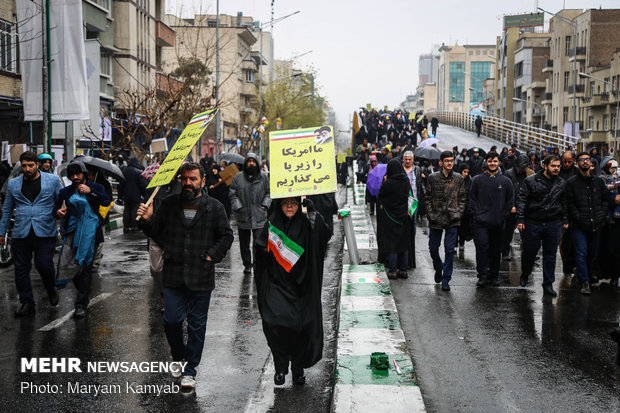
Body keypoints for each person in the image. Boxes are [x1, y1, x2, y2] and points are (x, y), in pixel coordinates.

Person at [137, 162, 234, 389]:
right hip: (173, 275)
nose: (188, 183)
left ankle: (190, 369)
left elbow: (226, 236)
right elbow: (157, 235)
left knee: (197, 326)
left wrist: (211, 256)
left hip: (201, 275)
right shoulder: (169, 204)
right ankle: (178, 356)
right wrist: (148, 219)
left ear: (202, 181)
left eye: (192, 179)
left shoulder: (215, 207)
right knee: (171, 320)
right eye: (184, 179)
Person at [254, 197, 330, 386]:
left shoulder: (307, 223)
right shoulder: (271, 225)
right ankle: (280, 367)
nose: (289, 206)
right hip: (276, 285)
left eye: (294, 203)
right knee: (275, 324)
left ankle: (297, 368)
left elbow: (325, 235)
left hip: (301, 287)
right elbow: (259, 247)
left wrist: (313, 214)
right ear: (279, 205)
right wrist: (267, 248)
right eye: (285, 203)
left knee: (299, 329)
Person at [0, 151, 62, 316]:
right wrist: (2, 232)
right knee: (20, 269)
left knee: (44, 265)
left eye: (30, 166)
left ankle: (51, 288)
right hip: (21, 232)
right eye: (24, 166)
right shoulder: (13, 184)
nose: (27, 169)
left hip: (45, 231)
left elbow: (61, 202)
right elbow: (7, 209)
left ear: (37, 165)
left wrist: (63, 219)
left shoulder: (53, 181)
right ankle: (27, 303)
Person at [54, 161, 111, 317]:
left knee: (85, 268)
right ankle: (84, 294)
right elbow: (56, 209)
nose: (75, 177)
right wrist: (58, 212)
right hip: (71, 236)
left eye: (78, 174)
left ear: (84, 174)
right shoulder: (65, 192)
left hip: (91, 235)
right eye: (72, 175)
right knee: (73, 268)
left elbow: (106, 201)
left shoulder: (96, 188)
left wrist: (90, 191)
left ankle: (80, 304)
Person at [516, 156, 568, 296]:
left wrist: (564, 219)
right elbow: (522, 200)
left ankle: (548, 284)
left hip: (553, 223)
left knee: (550, 255)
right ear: (545, 166)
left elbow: (564, 203)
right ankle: (525, 273)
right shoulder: (530, 181)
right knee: (530, 252)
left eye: (558, 166)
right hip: (533, 222)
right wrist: (520, 219)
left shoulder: (561, 183)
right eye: (553, 166)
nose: (556, 168)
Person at [565, 152, 610, 295]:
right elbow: (570, 204)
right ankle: (584, 281)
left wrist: (601, 215)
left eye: (587, 160)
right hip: (579, 225)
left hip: (596, 224)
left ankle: (584, 273)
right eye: (582, 160)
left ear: (591, 163)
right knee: (581, 252)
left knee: (592, 252)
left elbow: (605, 200)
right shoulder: (571, 182)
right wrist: (578, 218)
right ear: (577, 163)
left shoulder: (599, 181)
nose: (585, 162)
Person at [469, 151, 514, 287]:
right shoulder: (477, 180)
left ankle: (494, 276)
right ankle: (482, 275)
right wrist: (477, 214)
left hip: (498, 222)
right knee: (482, 248)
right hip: (481, 222)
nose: (492, 164)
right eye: (490, 161)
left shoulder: (506, 181)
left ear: (499, 162)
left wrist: (503, 215)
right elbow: (472, 198)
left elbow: (510, 200)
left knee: (496, 250)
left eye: (495, 161)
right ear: (486, 162)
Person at [424, 151, 467, 291]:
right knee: (433, 249)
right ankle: (438, 267)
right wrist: (430, 215)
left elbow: (462, 198)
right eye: (447, 161)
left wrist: (458, 213)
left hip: (452, 218)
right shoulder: (432, 178)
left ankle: (446, 279)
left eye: (452, 161)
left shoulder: (459, 178)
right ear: (441, 162)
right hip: (436, 218)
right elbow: (427, 198)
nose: (450, 163)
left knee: (449, 250)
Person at [230, 153, 271, 275]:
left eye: (253, 161)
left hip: (259, 215)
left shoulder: (264, 177)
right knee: (244, 244)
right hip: (243, 216)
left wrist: (264, 205)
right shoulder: (238, 178)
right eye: (249, 161)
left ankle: (258, 263)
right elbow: (233, 194)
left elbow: (269, 193)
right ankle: (247, 264)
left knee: (258, 243)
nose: (251, 163)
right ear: (246, 163)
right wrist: (238, 207)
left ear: (257, 163)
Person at [378, 159, 411, 279]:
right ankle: (403, 270)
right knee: (403, 244)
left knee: (392, 245)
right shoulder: (406, 180)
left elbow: (381, 196)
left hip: (390, 218)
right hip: (403, 216)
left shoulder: (388, 183)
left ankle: (392, 271)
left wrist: (385, 182)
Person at [502, 155, 533, 261]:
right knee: (508, 232)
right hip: (512, 208)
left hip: (522, 207)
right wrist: (510, 206)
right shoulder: (509, 174)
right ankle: (505, 252)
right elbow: (506, 192)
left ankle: (529, 252)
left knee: (525, 233)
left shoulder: (525, 174)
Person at [402, 151, 422, 269]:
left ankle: (411, 246)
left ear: (413, 160)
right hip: (403, 203)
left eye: (410, 159)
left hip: (414, 203)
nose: (408, 161)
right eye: (406, 159)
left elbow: (420, 185)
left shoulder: (417, 170)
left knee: (413, 224)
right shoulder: (400, 170)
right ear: (403, 160)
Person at [118, 157, 147, 233]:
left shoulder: (124, 171)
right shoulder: (138, 172)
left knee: (127, 211)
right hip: (136, 196)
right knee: (135, 211)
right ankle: (134, 227)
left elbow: (121, 185)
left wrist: (120, 196)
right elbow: (142, 185)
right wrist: (145, 195)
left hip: (126, 196)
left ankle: (126, 227)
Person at [456, 163, 473, 254]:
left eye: (467, 172)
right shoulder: (455, 180)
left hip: (465, 210)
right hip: (455, 208)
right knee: (455, 227)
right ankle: (455, 244)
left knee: (463, 227)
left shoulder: (470, 181)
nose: (466, 174)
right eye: (464, 172)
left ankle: (461, 243)